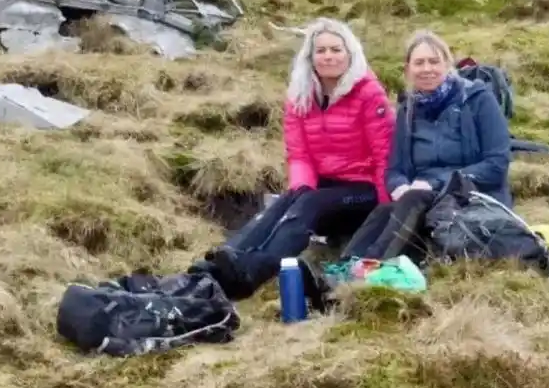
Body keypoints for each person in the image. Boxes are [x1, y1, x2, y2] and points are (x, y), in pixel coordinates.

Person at [192, 17, 396, 301]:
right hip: (326, 185)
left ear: (350, 53)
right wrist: (302, 186)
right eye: (321, 50)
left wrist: (385, 211)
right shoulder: (300, 95)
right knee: (290, 198)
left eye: (336, 49)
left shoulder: (369, 94)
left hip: (365, 190)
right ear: (310, 57)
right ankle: (226, 262)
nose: (328, 56)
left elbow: (386, 155)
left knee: (312, 202)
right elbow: (299, 154)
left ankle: (256, 271)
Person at [309, 29, 515, 292]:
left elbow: (497, 164)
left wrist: (434, 184)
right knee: (385, 210)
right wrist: (398, 186)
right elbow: (395, 169)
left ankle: (363, 275)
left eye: (434, 61)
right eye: (419, 63)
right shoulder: (409, 110)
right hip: (422, 199)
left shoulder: (478, 100)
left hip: (473, 196)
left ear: (447, 65)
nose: (426, 69)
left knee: (413, 199)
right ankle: (344, 267)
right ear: (407, 70)